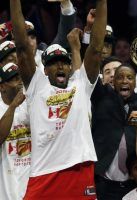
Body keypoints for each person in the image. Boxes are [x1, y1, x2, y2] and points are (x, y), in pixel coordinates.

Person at [10, 0, 107, 198]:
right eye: (54, 63)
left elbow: (96, 48)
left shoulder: (81, 84)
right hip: (43, 175)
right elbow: (21, 47)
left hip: (78, 172)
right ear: (44, 70)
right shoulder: (37, 86)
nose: (60, 66)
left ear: (71, 67)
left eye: (64, 62)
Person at [91, 62, 137, 200]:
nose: (125, 81)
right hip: (102, 184)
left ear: (135, 82)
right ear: (113, 82)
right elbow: (90, 68)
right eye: (120, 77)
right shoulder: (102, 98)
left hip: (135, 185)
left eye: (129, 77)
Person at [0, 63, 30, 200]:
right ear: (2, 87)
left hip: (32, 185)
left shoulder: (30, 103)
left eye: (20, 77)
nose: (19, 82)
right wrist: (13, 106)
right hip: (7, 186)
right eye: (13, 78)